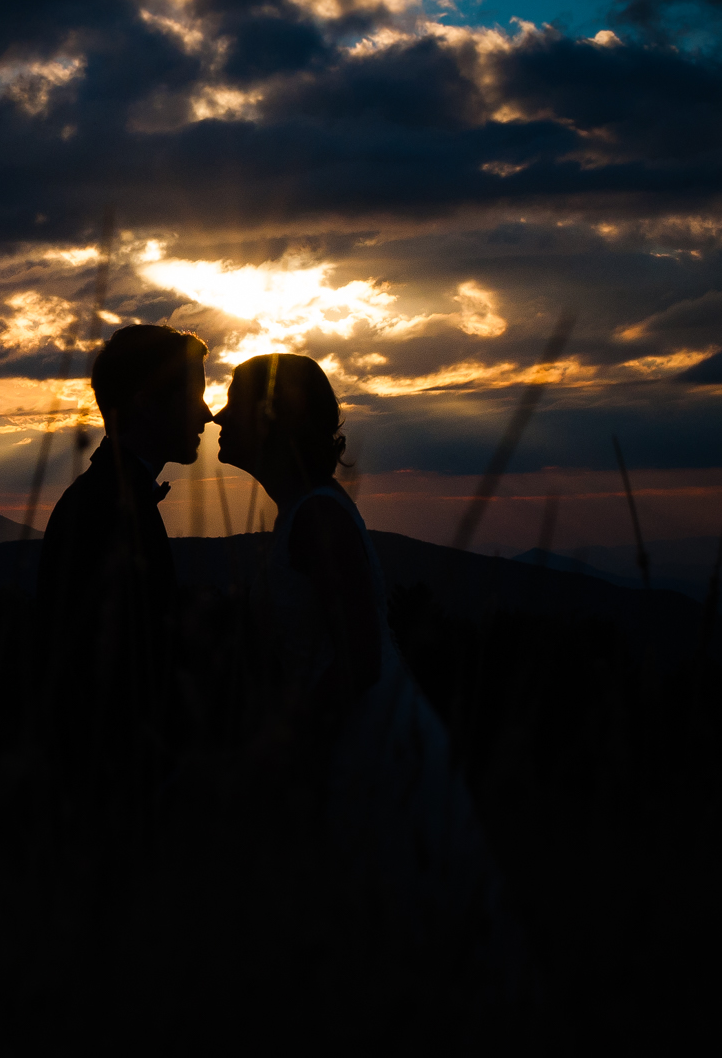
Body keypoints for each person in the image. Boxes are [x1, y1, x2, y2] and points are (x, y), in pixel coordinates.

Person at [211, 353, 523, 992]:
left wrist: (286, 750)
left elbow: (359, 658)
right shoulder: (305, 510)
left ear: (272, 422)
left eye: (234, 405)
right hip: (358, 738)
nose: (217, 417)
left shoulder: (318, 516)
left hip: (369, 748)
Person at [34, 323, 211, 786]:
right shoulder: (105, 510)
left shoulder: (105, 497)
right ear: (145, 403)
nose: (208, 414)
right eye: (193, 397)